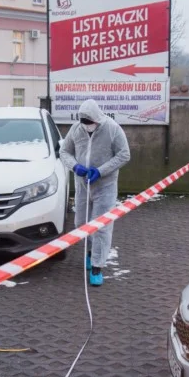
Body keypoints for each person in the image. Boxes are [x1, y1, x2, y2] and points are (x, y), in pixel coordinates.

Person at [60, 99, 131, 286]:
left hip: (105, 186)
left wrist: (101, 170)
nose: (88, 126)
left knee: (101, 226)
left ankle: (97, 266)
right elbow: (64, 152)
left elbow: (124, 154)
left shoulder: (112, 129)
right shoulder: (76, 129)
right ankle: (91, 253)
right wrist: (75, 167)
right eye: (84, 122)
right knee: (81, 223)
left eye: (90, 122)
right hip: (83, 185)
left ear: (98, 119)